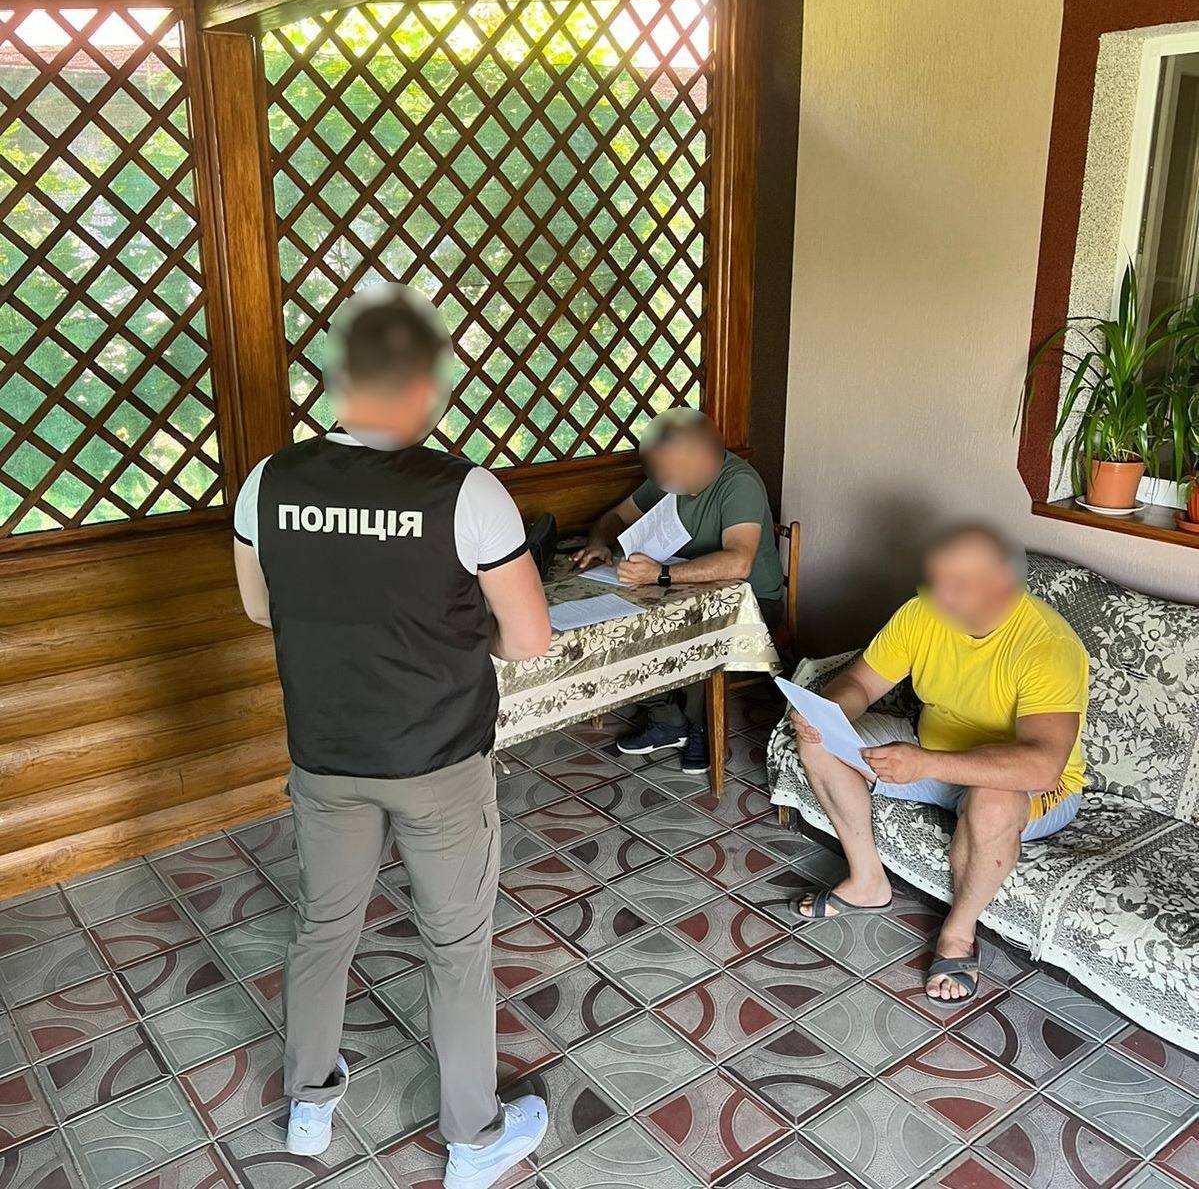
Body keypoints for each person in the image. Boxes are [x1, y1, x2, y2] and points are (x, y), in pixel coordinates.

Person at [232, 284, 552, 1188]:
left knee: (322, 926)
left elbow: (260, 608)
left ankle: (308, 1106)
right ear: (421, 386)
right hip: (437, 761)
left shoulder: (268, 481)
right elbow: (528, 639)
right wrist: (456, 635)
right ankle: (472, 1137)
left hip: (325, 754)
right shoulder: (465, 490)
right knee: (456, 945)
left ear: (339, 383)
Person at [788, 524, 1088, 1005]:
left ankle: (959, 933)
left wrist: (927, 764)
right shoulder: (923, 612)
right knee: (820, 742)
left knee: (991, 802)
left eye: (959, 585)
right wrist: (828, 712)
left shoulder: (1047, 645)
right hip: (929, 755)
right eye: (938, 580)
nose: (941, 596)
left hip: (1027, 785)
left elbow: (1041, 765)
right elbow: (860, 684)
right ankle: (866, 881)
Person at [574, 408, 785, 773]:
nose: (662, 478)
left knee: (695, 631)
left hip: (751, 602)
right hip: (680, 588)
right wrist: (600, 542)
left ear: (700, 458)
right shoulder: (670, 476)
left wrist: (660, 574)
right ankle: (668, 718)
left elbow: (739, 563)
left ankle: (703, 729)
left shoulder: (739, 485)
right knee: (626, 625)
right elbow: (617, 515)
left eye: (670, 470)